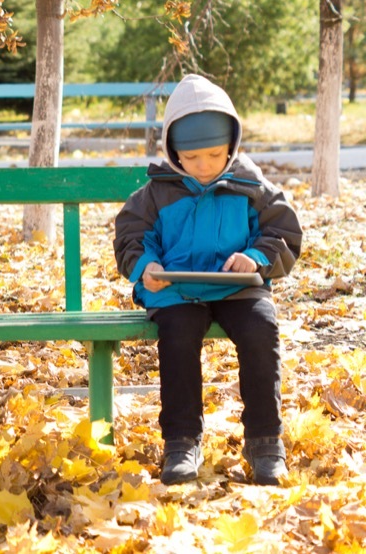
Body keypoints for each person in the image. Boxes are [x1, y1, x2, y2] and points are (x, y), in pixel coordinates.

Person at [113, 73, 302, 486]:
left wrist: (254, 258)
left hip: (236, 289)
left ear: (231, 146)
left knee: (260, 331)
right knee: (178, 336)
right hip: (177, 291)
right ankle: (181, 441)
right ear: (172, 150)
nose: (203, 167)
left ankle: (264, 441)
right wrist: (146, 266)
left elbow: (283, 232)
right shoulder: (157, 191)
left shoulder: (250, 185)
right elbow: (130, 236)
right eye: (191, 157)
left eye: (215, 155)